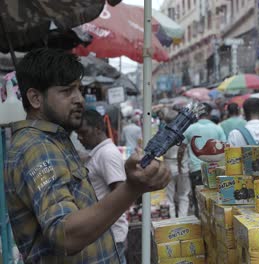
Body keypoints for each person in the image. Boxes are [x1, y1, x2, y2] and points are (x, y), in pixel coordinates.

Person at [5, 48, 170, 263]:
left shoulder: (53, 141)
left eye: (78, 89)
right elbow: (67, 234)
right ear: (35, 98)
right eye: (67, 91)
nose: (79, 99)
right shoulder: (38, 147)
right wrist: (132, 188)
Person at [76, 109, 129, 263]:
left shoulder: (107, 154)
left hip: (110, 235)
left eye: (83, 132)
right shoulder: (99, 153)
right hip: (104, 234)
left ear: (97, 129)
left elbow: (120, 195)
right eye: (77, 133)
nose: (79, 137)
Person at [177, 103, 226, 216]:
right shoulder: (217, 128)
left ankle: (200, 222)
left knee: (198, 200)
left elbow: (181, 149)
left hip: (196, 170)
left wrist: (180, 165)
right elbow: (225, 148)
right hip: (215, 170)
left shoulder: (190, 128)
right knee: (214, 198)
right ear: (209, 113)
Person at [163, 110, 191, 218]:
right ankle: (182, 219)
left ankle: (172, 221)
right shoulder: (184, 132)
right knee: (183, 196)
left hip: (168, 167)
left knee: (169, 197)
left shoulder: (163, 134)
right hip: (182, 168)